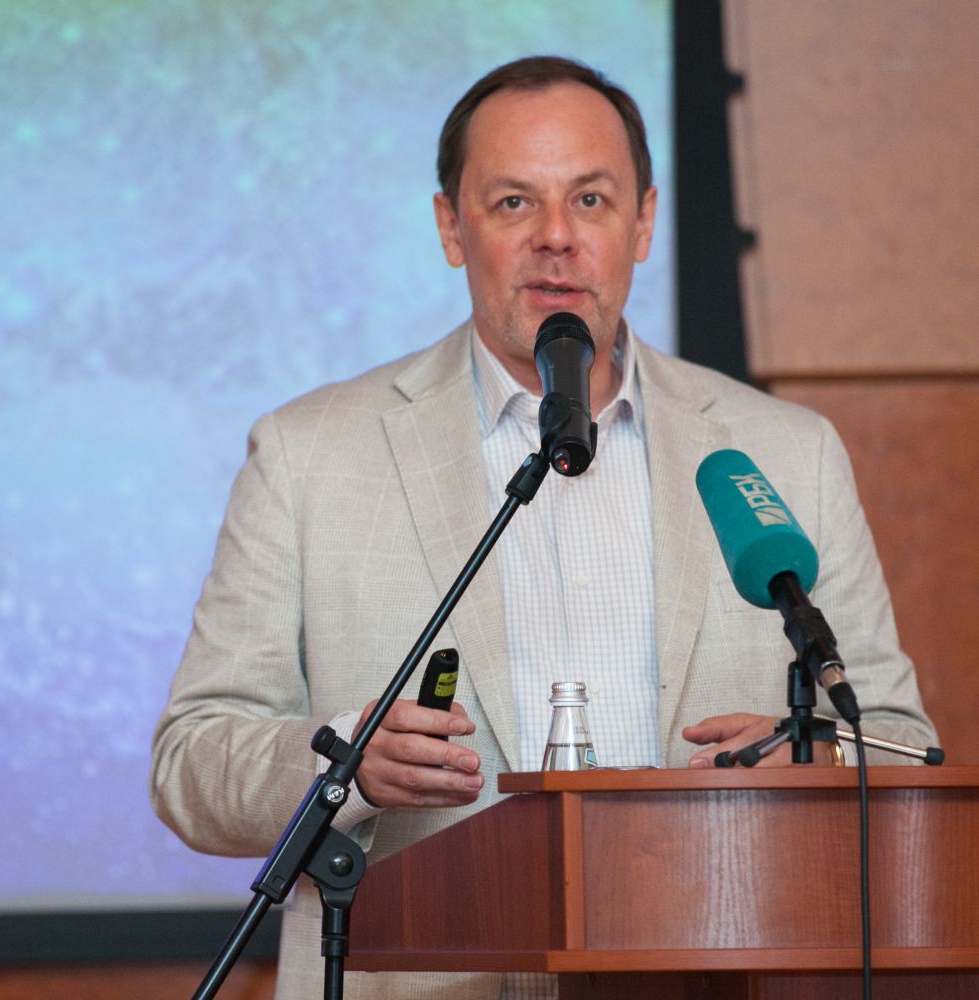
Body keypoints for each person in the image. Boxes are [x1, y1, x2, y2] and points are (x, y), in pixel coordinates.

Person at [152, 56, 936, 1000]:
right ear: (452, 227)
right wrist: (347, 763)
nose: (557, 238)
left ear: (644, 221)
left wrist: (812, 752)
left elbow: (900, 740)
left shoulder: (785, 454)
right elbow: (192, 761)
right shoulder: (307, 454)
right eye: (514, 203)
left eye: (591, 200)